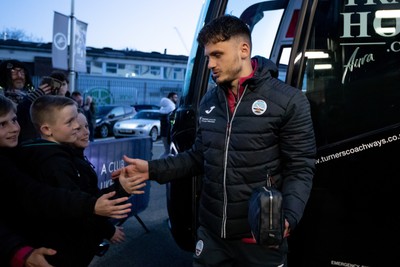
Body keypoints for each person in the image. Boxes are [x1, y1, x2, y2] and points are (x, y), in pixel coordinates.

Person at [114, 15, 316, 267]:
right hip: (211, 235)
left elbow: (300, 166)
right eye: (208, 56)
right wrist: (151, 169)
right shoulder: (210, 100)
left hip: (258, 239)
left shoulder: (288, 100)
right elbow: (198, 156)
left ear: (244, 50)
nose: (210, 64)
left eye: (217, 55)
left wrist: (288, 217)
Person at [0, 94, 133, 267]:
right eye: (3, 123)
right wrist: (117, 193)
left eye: (14, 120)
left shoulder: (21, 154)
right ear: (47, 130)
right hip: (61, 252)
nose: (14, 128)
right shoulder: (53, 163)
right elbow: (49, 198)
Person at [17, 71, 70, 144]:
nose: (60, 87)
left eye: (63, 84)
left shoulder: (73, 105)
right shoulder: (41, 103)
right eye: (58, 84)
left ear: (68, 86)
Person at [159, 92, 178, 158]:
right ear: (170, 98)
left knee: (166, 149)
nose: (176, 99)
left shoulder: (162, 108)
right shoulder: (171, 107)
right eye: (175, 97)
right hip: (168, 131)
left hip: (163, 132)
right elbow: (172, 121)